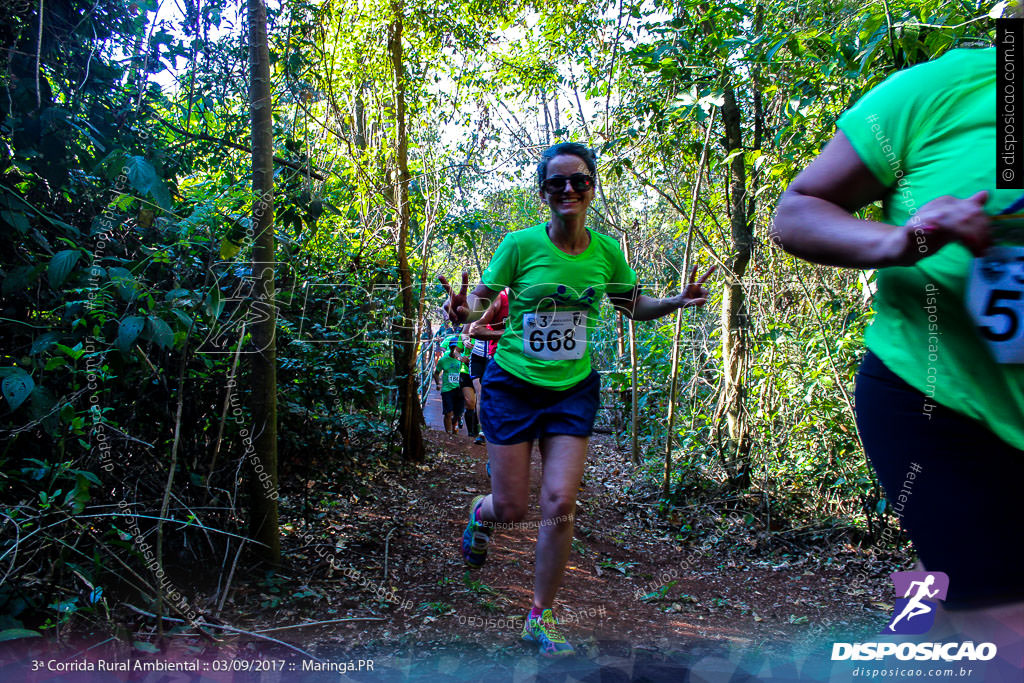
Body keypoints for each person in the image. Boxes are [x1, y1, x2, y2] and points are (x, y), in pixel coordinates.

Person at [772, 45, 1024, 641]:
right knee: (1005, 626)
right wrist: (901, 242)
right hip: (932, 394)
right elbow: (797, 211)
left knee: (947, 584)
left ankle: (906, 650)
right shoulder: (944, 90)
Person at [440, 142, 714, 657]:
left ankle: (539, 617)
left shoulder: (607, 251)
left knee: (561, 503)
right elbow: (481, 299)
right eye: (557, 182)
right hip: (514, 385)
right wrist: (460, 311)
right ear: (543, 192)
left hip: (573, 389)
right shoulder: (520, 245)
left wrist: (676, 300)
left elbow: (633, 304)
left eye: (579, 180)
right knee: (514, 506)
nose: (569, 189)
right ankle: (481, 513)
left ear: (592, 187)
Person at [468, 288, 510, 446]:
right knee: (481, 393)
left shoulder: (538, 295)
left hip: (527, 361)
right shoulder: (499, 299)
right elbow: (471, 330)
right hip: (491, 358)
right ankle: (484, 431)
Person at [432, 335, 465, 436]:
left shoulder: (463, 358)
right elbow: (436, 373)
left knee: (457, 413)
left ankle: (455, 425)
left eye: (455, 347)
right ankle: (449, 434)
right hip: (447, 389)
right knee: (448, 413)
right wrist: (438, 384)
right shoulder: (443, 360)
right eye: (452, 347)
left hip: (460, 389)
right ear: (449, 347)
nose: (453, 349)